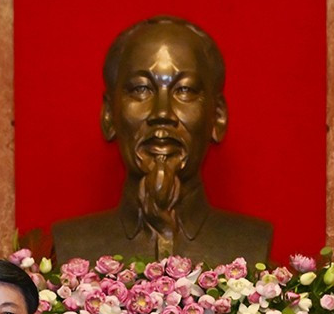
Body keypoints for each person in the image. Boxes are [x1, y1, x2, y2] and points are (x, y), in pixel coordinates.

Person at [50, 16, 273, 266]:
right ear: (109, 115)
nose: (162, 113)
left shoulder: (251, 243)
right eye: (141, 89)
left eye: (185, 90)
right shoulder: (72, 245)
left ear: (217, 117)